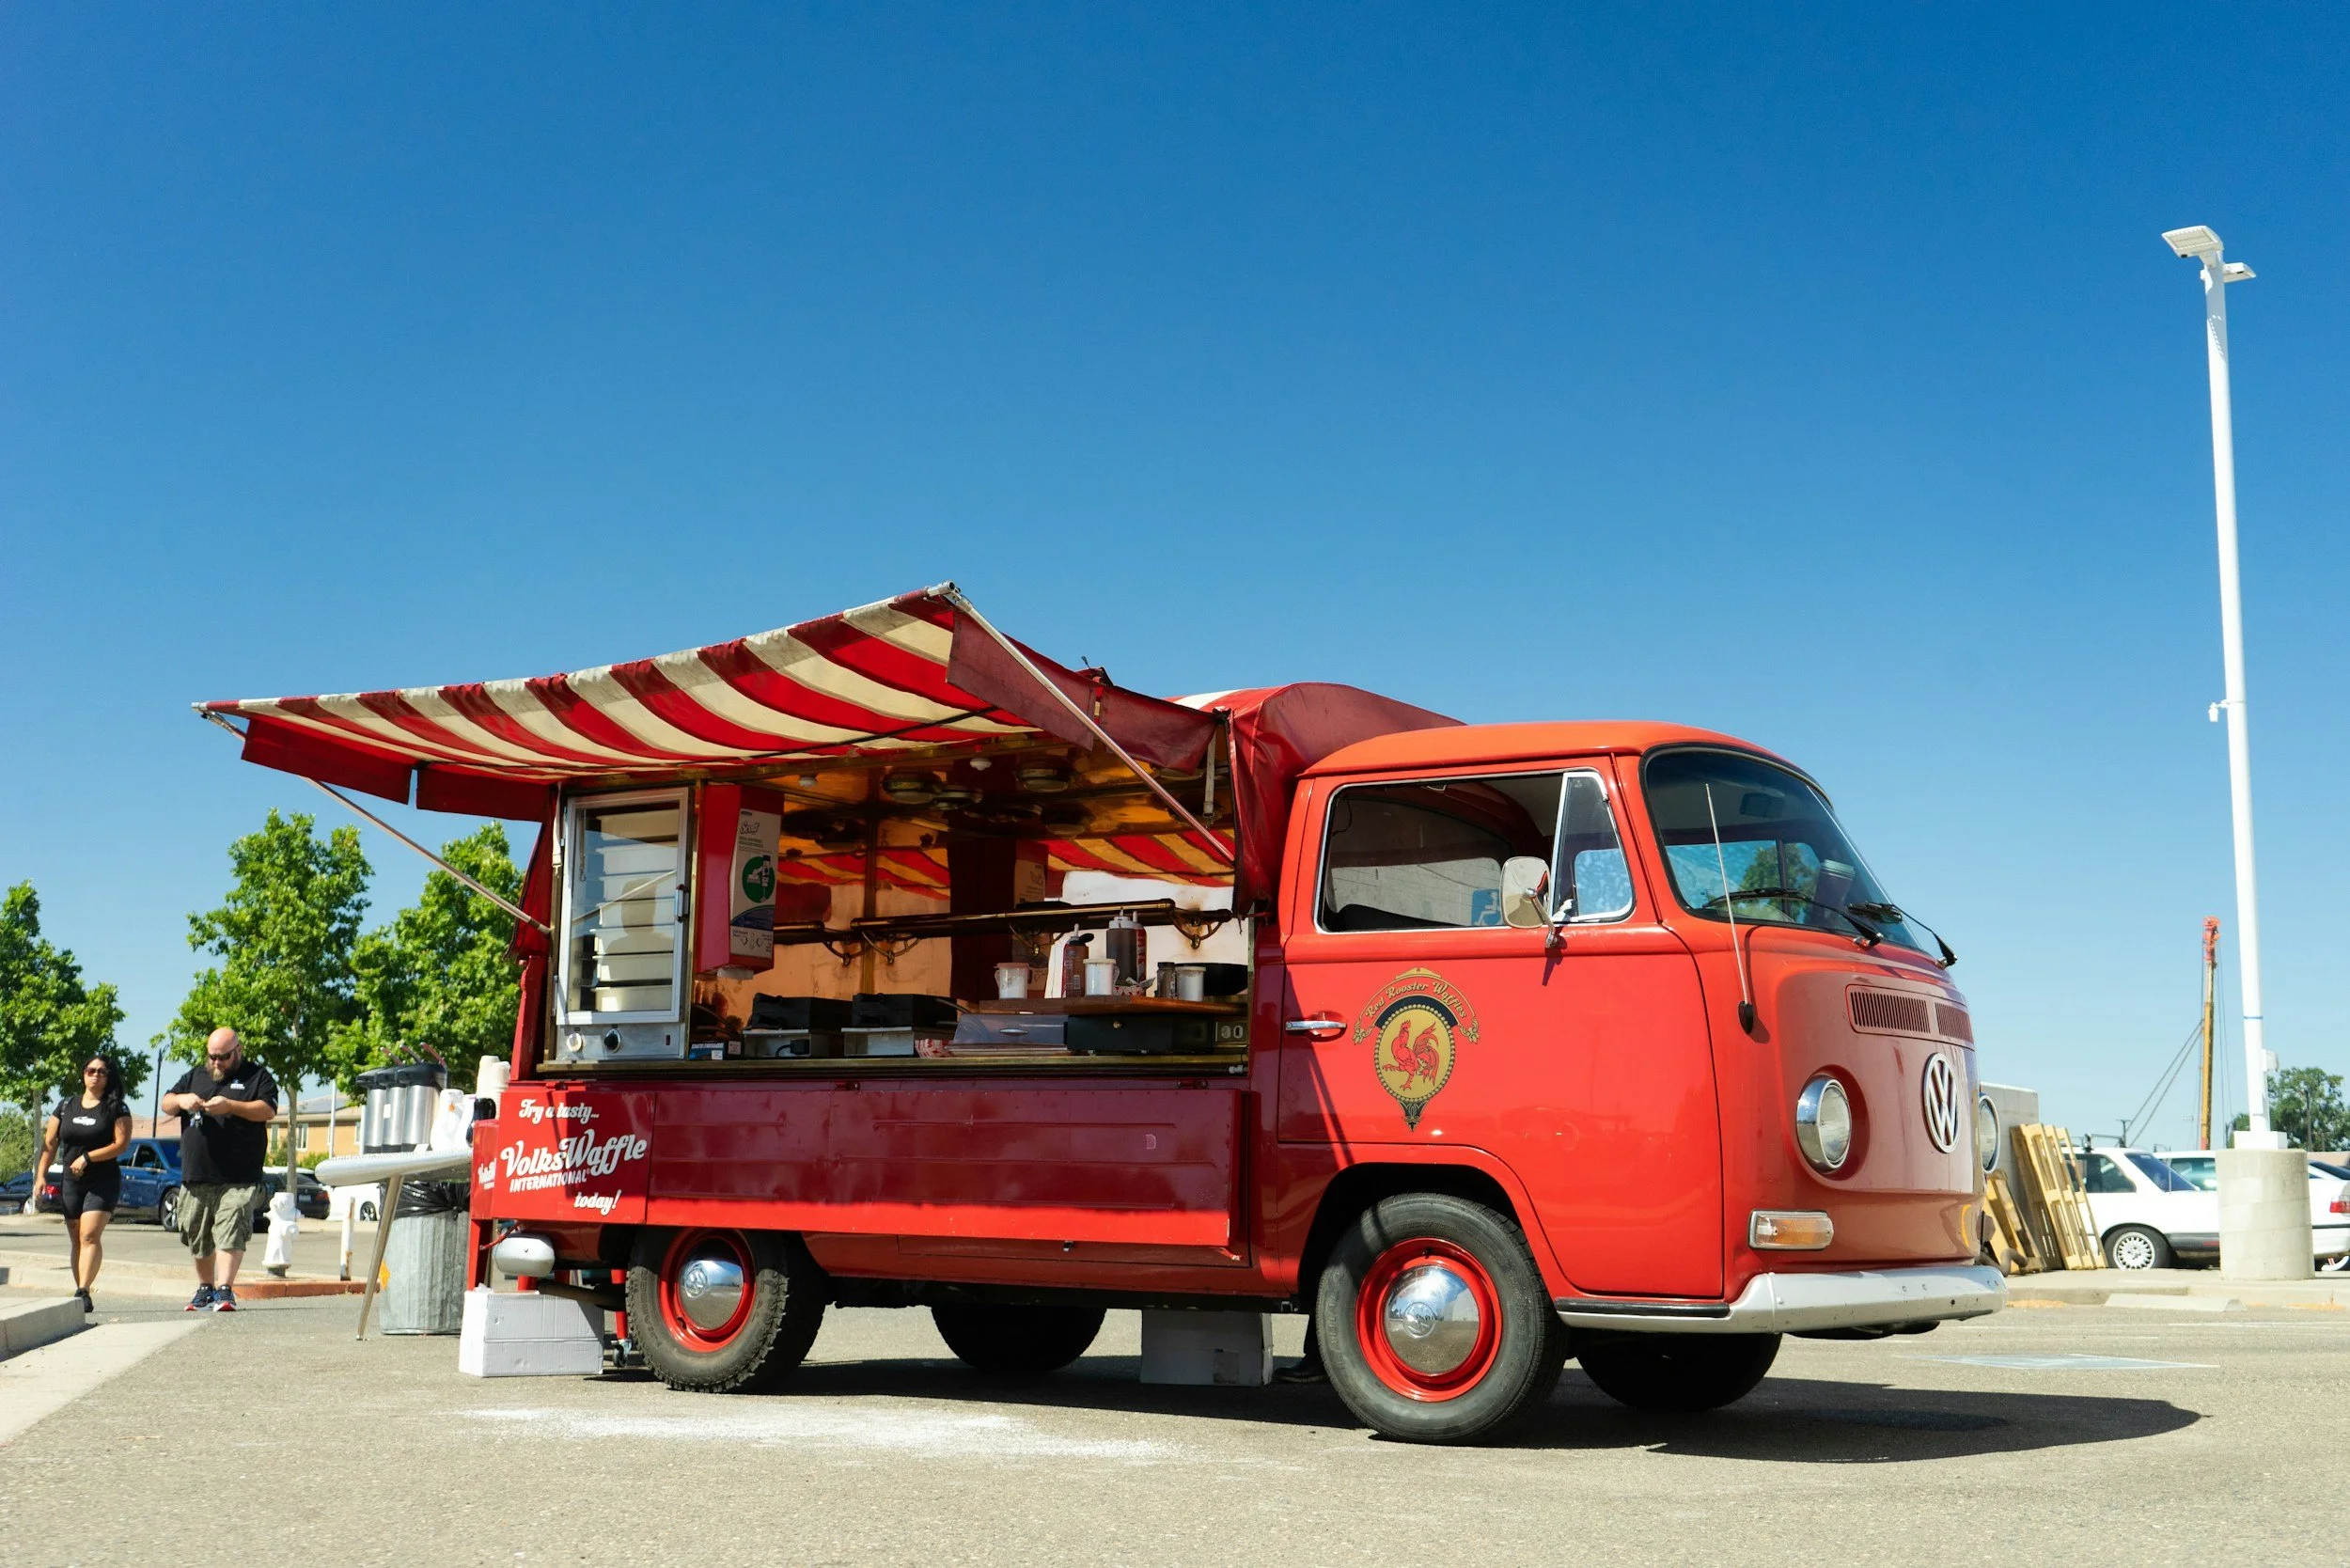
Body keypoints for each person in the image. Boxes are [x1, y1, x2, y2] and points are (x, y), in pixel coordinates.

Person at [158, 1027, 280, 1312]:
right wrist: (181, 1100)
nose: (216, 1063)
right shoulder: (194, 1076)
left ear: (238, 1051)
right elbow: (167, 1102)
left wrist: (231, 1106)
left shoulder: (257, 1076)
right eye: (212, 1056)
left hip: (239, 1176)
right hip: (197, 1174)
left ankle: (225, 1290)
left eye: (223, 1057)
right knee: (196, 1232)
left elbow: (268, 1110)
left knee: (232, 1222)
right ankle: (205, 1289)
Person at [34, 1055, 133, 1313]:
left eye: (102, 1072)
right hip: (71, 1182)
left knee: (89, 1235)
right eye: (91, 1070)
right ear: (83, 1073)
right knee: (77, 1238)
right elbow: (49, 1145)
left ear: (108, 1077)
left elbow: (120, 1145)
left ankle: (84, 1289)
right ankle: (79, 1292)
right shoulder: (66, 1106)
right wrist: (41, 1176)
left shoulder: (116, 1108)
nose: (96, 1075)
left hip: (102, 1181)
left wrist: (88, 1157)